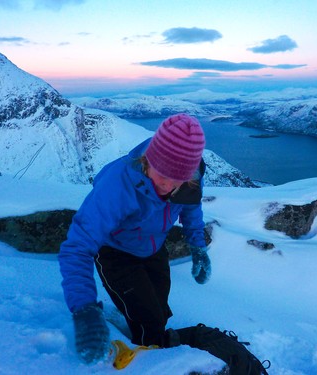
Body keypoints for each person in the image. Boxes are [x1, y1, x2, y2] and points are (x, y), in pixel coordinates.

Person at [58, 113, 211, 364]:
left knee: (160, 311)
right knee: (148, 321)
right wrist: (84, 310)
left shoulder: (191, 176)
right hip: (115, 253)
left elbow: (191, 207)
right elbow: (77, 246)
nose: (167, 187)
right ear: (147, 160)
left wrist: (198, 247)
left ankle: (151, 342)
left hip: (154, 247)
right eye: (162, 175)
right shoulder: (117, 186)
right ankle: (148, 364)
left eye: (178, 180)